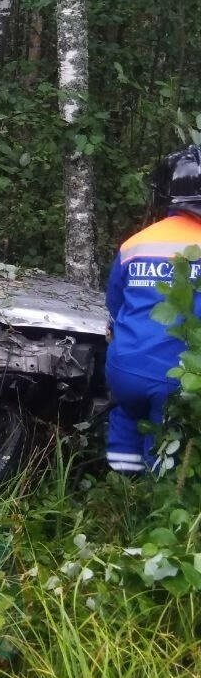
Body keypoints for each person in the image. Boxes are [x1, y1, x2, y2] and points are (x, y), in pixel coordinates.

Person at [105, 144, 201, 474]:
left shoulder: (136, 243)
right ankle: (152, 504)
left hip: (124, 369)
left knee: (127, 417)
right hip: (176, 376)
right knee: (164, 447)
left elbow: (115, 306)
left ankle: (119, 495)